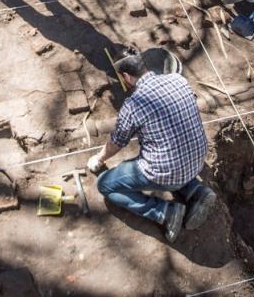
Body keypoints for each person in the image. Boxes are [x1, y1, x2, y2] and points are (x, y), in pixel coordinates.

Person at [87, 54, 216, 243]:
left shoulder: (133, 104)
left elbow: (117, 142)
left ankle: (165, 212)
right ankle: (195, 190)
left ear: (127, 77)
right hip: (197, 160)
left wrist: (99, 159)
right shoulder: (178, 80)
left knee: (106, 185)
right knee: (171, 158)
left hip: (165, 172)